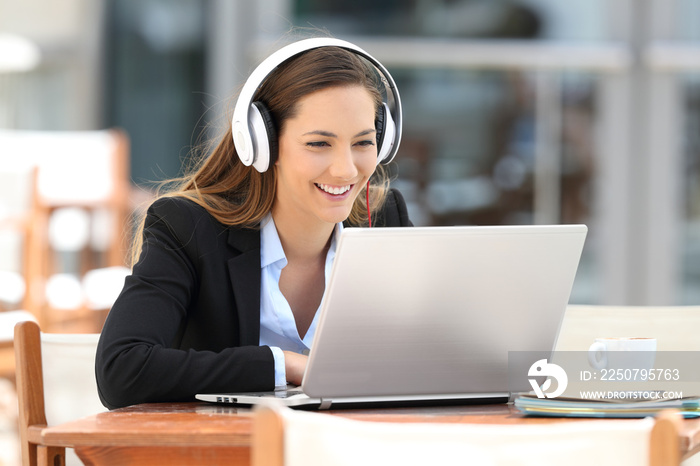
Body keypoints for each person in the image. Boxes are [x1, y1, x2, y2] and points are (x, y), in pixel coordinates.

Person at [95, 37, 413, 409]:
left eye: (362, 143)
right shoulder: (188, 228)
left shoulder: (385, 218)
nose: (346, 169)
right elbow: (122, 369)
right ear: (263, 142)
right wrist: (285, 365)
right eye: (319, 144)